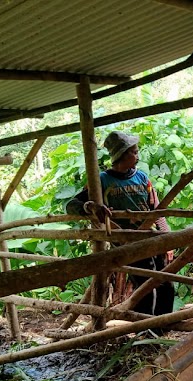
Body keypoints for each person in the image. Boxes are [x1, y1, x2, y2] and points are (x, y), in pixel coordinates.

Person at [66, 131, 175, 316]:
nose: (137, 155)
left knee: (166, 285)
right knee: (144, 287)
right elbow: (71, 205)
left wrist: (167, 237)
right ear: (122, 155)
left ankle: (163, 326)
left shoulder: (142, 178)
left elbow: (156, 208)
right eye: (134, 151)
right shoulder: (102, 180)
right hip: (126, 242)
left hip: (151, 238)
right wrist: (91, 206)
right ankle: (145, 329)